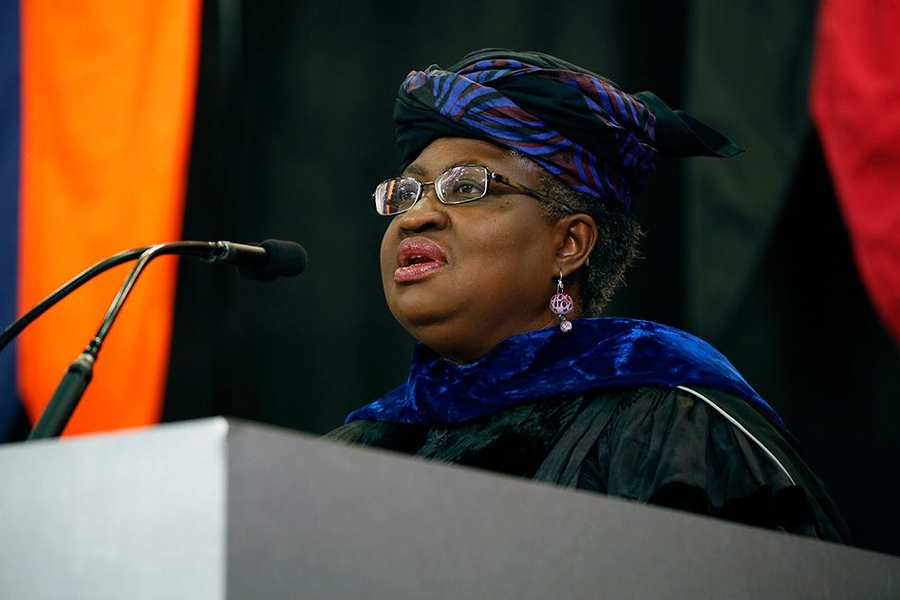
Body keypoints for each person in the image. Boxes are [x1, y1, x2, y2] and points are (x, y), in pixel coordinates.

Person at [324, 47, 850, 543]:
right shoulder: (355, 451)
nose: (415, 215)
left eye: (467, 188)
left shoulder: (675, 429)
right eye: (406, 192)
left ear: (569, 243)